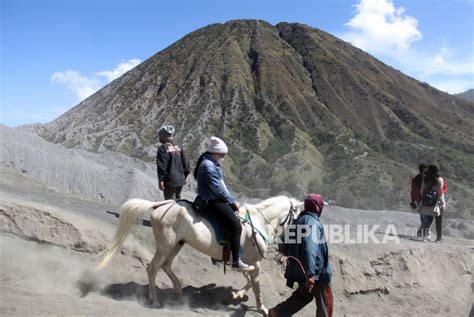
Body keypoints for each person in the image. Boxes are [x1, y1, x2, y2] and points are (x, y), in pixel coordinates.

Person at [194, 136, 255, 272]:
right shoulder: (208, 166)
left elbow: (222, 186)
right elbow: (218, 188)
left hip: (215, 198)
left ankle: (220, 253)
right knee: (236, 227)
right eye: (222, 155)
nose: (223, 157)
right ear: (216, 153)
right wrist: (232, 202)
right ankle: (236, 261)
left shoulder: (211, 163)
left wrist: (231, 199)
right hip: (211, 200)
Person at [269, 193, 333, 317]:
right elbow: (310, 248)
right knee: (326, 304)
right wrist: (310, 274)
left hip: (300, 271)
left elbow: (283, 244)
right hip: (317, 273)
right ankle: (277, 313)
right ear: (318, 207)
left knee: (304, 296)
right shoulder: (313, 223)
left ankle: (277, 313)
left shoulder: (299, 220)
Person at [156, 125, 190, 200]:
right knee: (178, 200)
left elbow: (162, 166)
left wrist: (161, 180)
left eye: (160, 136)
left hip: (170, 181)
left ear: (162, 137)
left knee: (170, 203)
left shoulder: (163, 149)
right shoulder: (179, 147)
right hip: (180, 180)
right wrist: (186, 175)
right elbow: (185, 163)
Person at [418, 164, 446, 242]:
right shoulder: (439, 179)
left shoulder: (426, 178)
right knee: (438, 221)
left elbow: (421, 191)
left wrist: (426, 199)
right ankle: (439, 238)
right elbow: (440, 193)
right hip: (437, 203)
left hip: (428, 203)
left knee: (428, 220)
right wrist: (442, 204)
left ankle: (425, 236)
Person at [412, 163, 428, 239]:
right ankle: (422, 232)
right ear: (423, 169)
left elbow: (413, 190)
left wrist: (413, 200)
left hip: (418, 199)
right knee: (426, 217)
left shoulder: (416, 177)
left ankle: (422, 232)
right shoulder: (422, 178)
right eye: (426, 168)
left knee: (423, 216)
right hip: (423, 199)